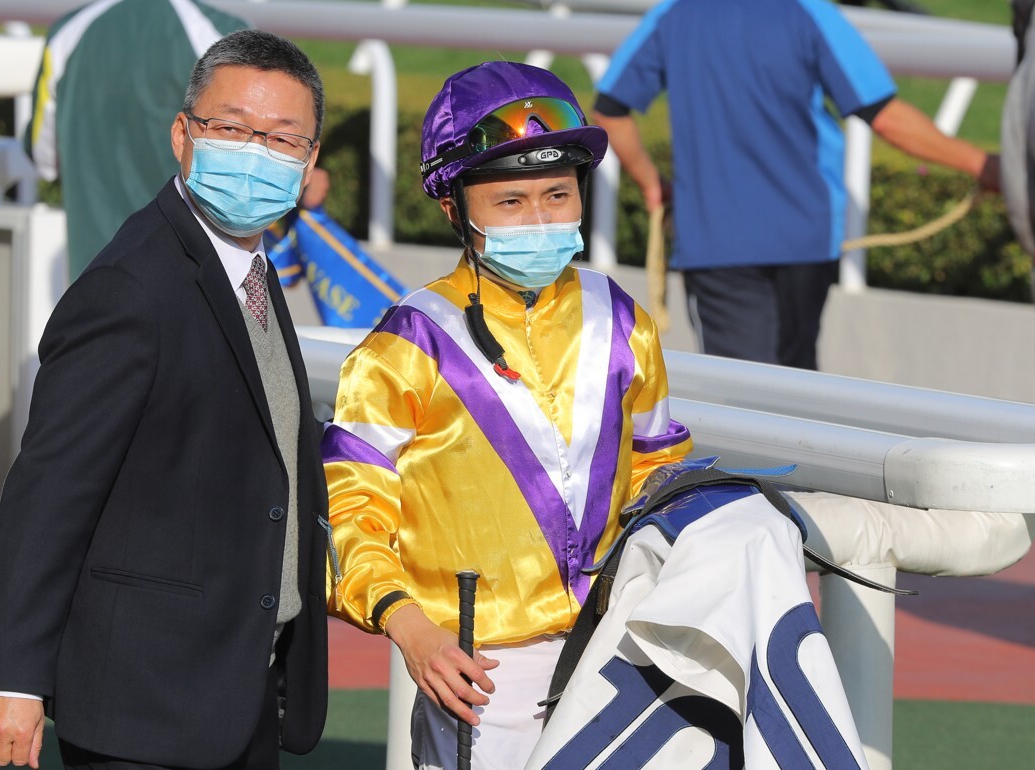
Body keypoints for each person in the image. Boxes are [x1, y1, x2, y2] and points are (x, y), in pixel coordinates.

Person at [323, 61, 866, 769]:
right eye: (511, 202)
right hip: (479, 669)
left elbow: (658, 469)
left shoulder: (623, 320)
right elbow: (352, 507)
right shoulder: (407, 343)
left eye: (558, 194)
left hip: (618, 644)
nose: (542, 218)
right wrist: (410, 628)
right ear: (455, 209)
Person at [0, 29, 330, 769]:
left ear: (310, 161)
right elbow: (52, 488)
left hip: (236, 688)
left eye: (283, 139)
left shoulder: (249, 269)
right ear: (182, 135)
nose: (255, 152)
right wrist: (12, 677)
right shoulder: (130, 288)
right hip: (144, 704)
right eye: (230, 128)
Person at [593, 0, 1001, 370]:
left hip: (716, 242)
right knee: (798, 389)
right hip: (805, 238)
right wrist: (983, 165)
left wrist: (652, 184)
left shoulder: (675, 13)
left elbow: (609, 111)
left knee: (747, 400)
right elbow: (885, 116)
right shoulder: (810, 12)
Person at [26, 0, 247, 280]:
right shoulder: (221, 33)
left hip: (91, 283)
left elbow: (42, 155)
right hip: (193, 286)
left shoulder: (66, 32)